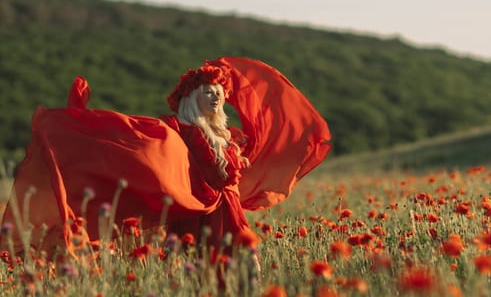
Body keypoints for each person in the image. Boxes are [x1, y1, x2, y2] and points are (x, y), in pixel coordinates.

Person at [1, 57, 331, 256]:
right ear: (192, 97)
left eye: (219, 95)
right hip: (205, 214)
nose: (216, 99)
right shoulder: (188, 133)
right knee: (219, 269)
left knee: (222, 272)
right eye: (209, 94)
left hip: (217, 211)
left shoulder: (218, 133)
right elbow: (219, 175)